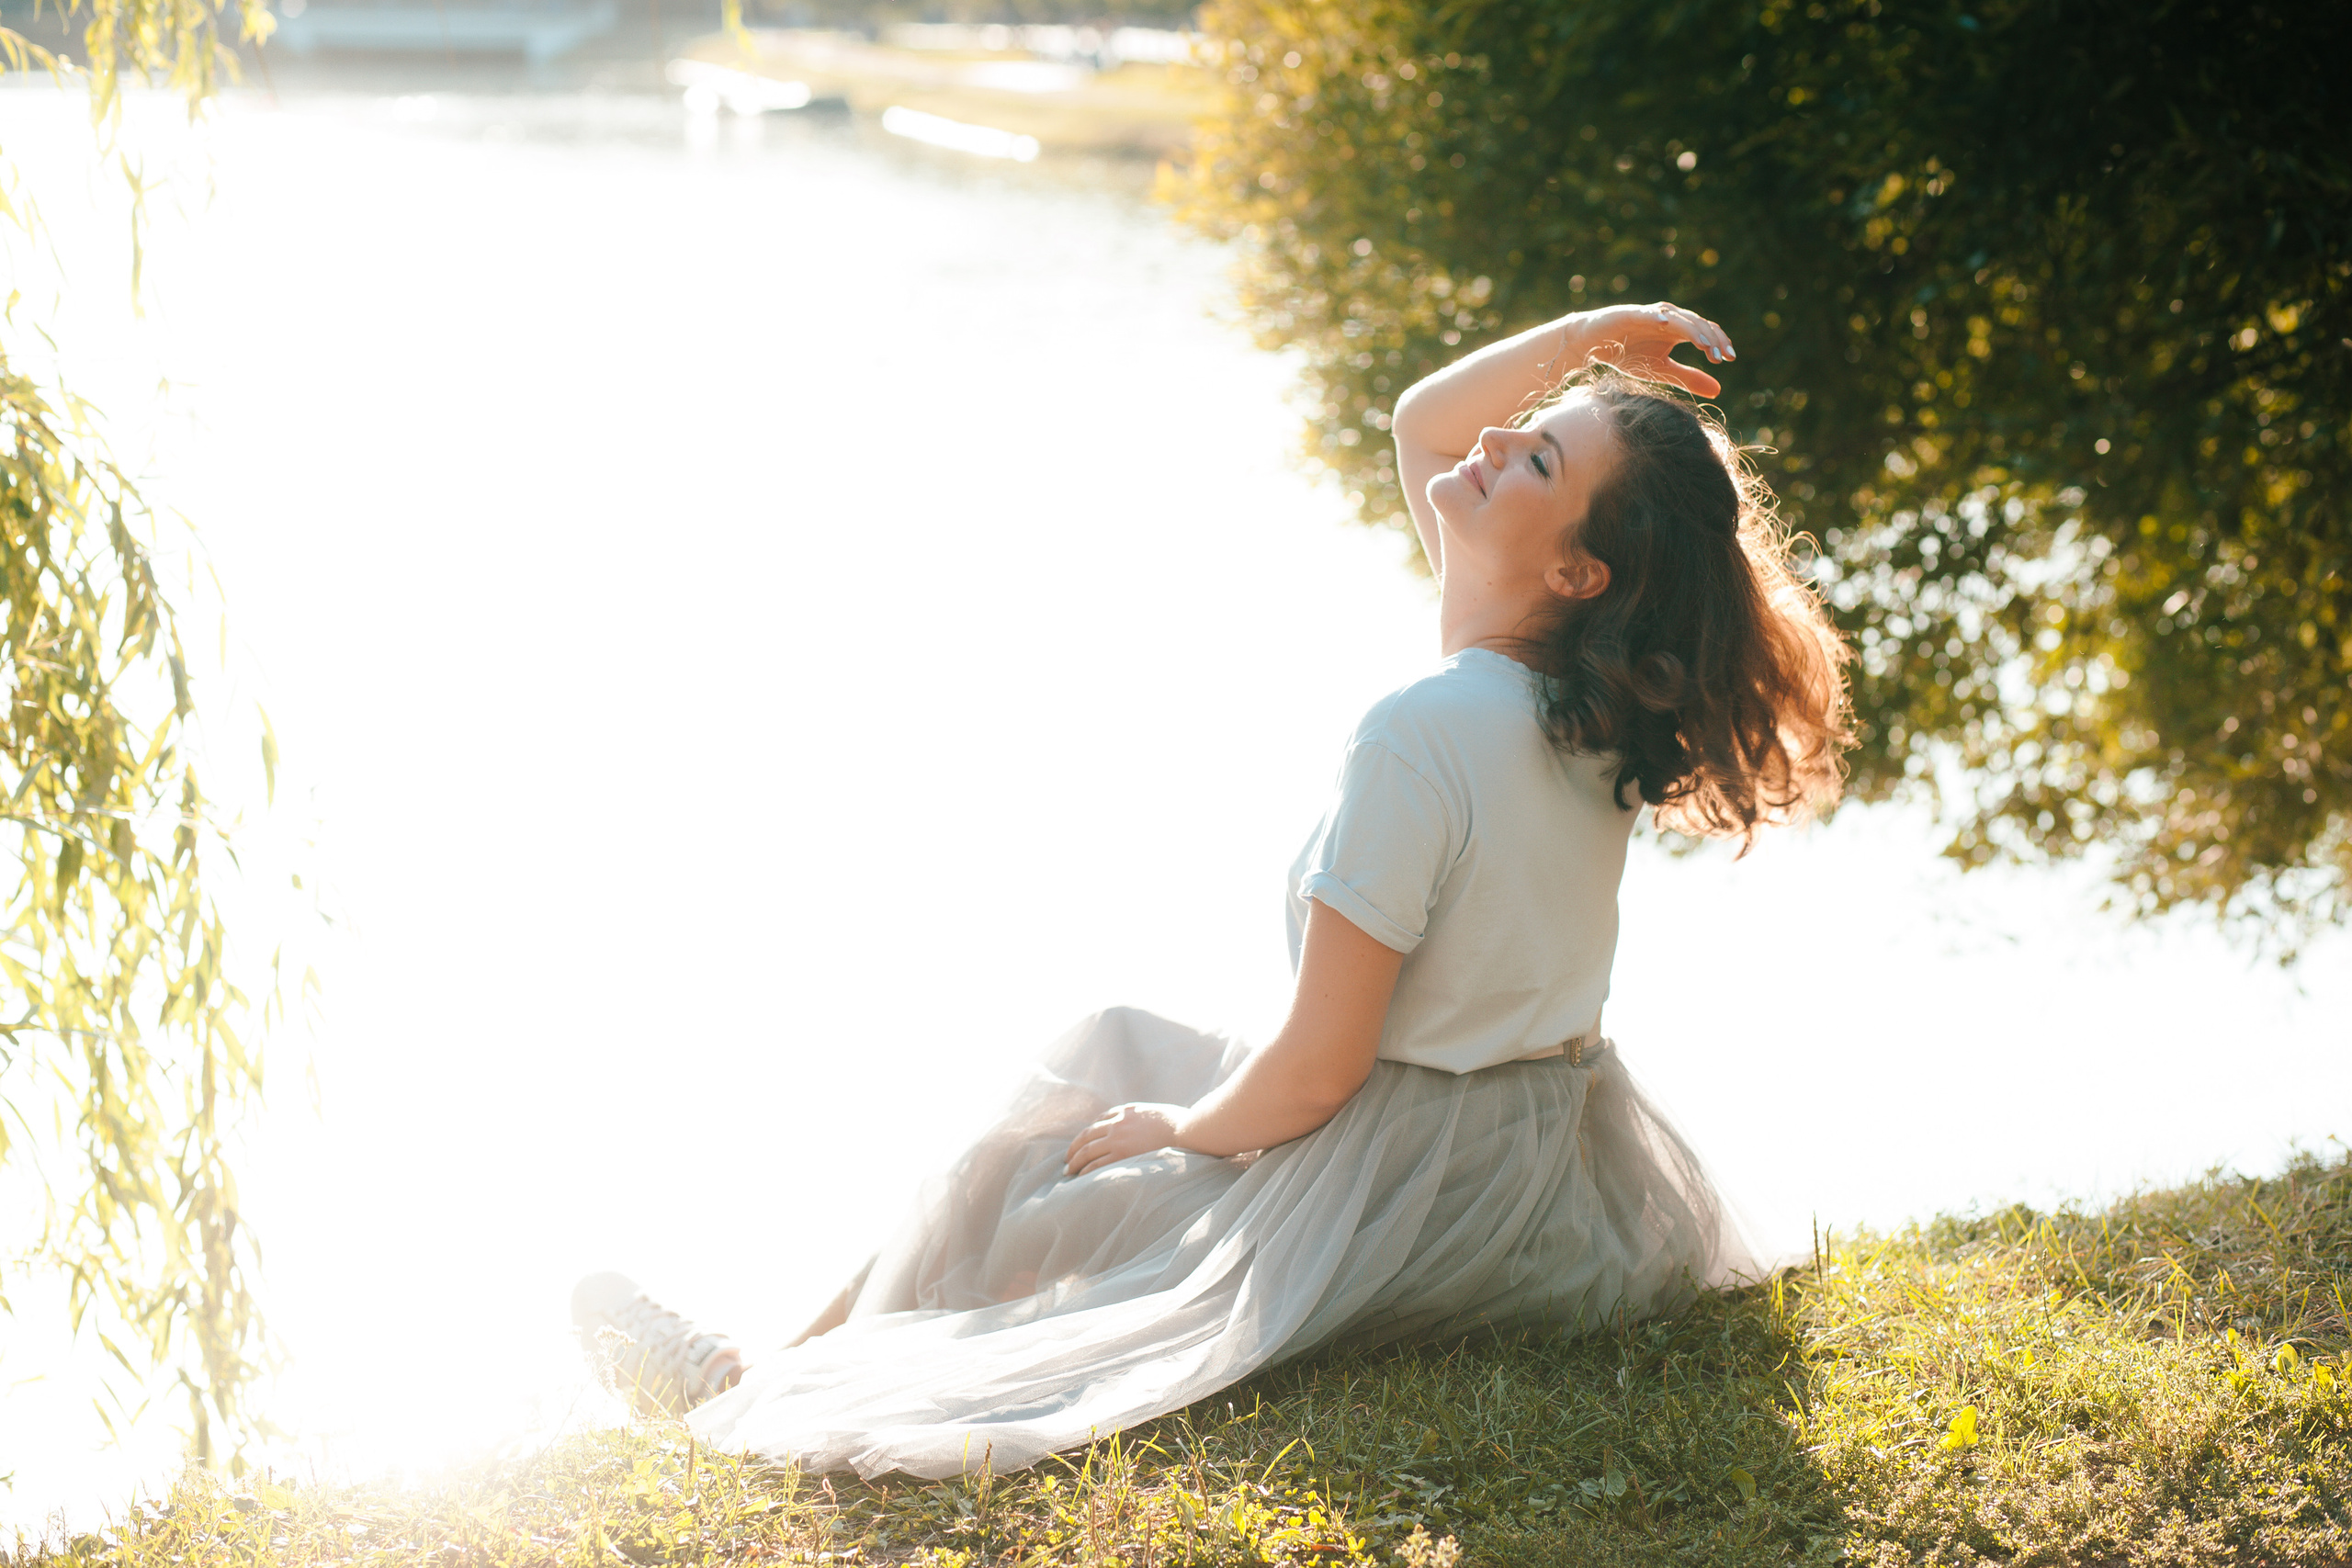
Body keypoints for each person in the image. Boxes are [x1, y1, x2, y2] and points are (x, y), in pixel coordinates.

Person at [572, 299, 1851, 1481]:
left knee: (1022, 1176)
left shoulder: (1422, 730)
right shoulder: (1591, 704)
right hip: (1537, 1169)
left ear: (1576, 573)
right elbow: (1427, 424)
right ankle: (775, 1358)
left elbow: (1318, 1073)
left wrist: (1174, 1134)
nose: (1499, 439)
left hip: (1401, 1179)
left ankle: (742, 1386)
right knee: (1106, 1037)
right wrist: (1587, 341)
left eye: (1539, 462)